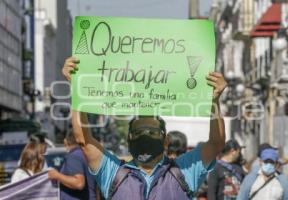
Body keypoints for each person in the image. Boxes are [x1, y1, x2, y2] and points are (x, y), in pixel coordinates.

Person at [62, 57, 227, 199]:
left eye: (152, 132)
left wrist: (214, 101)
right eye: (138, 132)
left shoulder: (184, 171)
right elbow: (83, 140)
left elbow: (216, 143)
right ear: (128, 139)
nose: (145, 136)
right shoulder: (113, 173)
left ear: (166, 140)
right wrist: (77, 88)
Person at [48, 130, 97, 200]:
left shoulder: (74, 156)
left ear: (65, 141)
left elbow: (79, 183)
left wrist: (56, 175)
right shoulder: (87, 156)